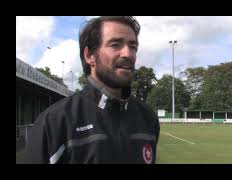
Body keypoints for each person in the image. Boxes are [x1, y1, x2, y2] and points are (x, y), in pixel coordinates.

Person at [25, 16, 160, 164]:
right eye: (115, 44)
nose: (128, 54)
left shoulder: (148, 118)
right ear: (89, 56)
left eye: (133, 46)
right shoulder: (55, 122)